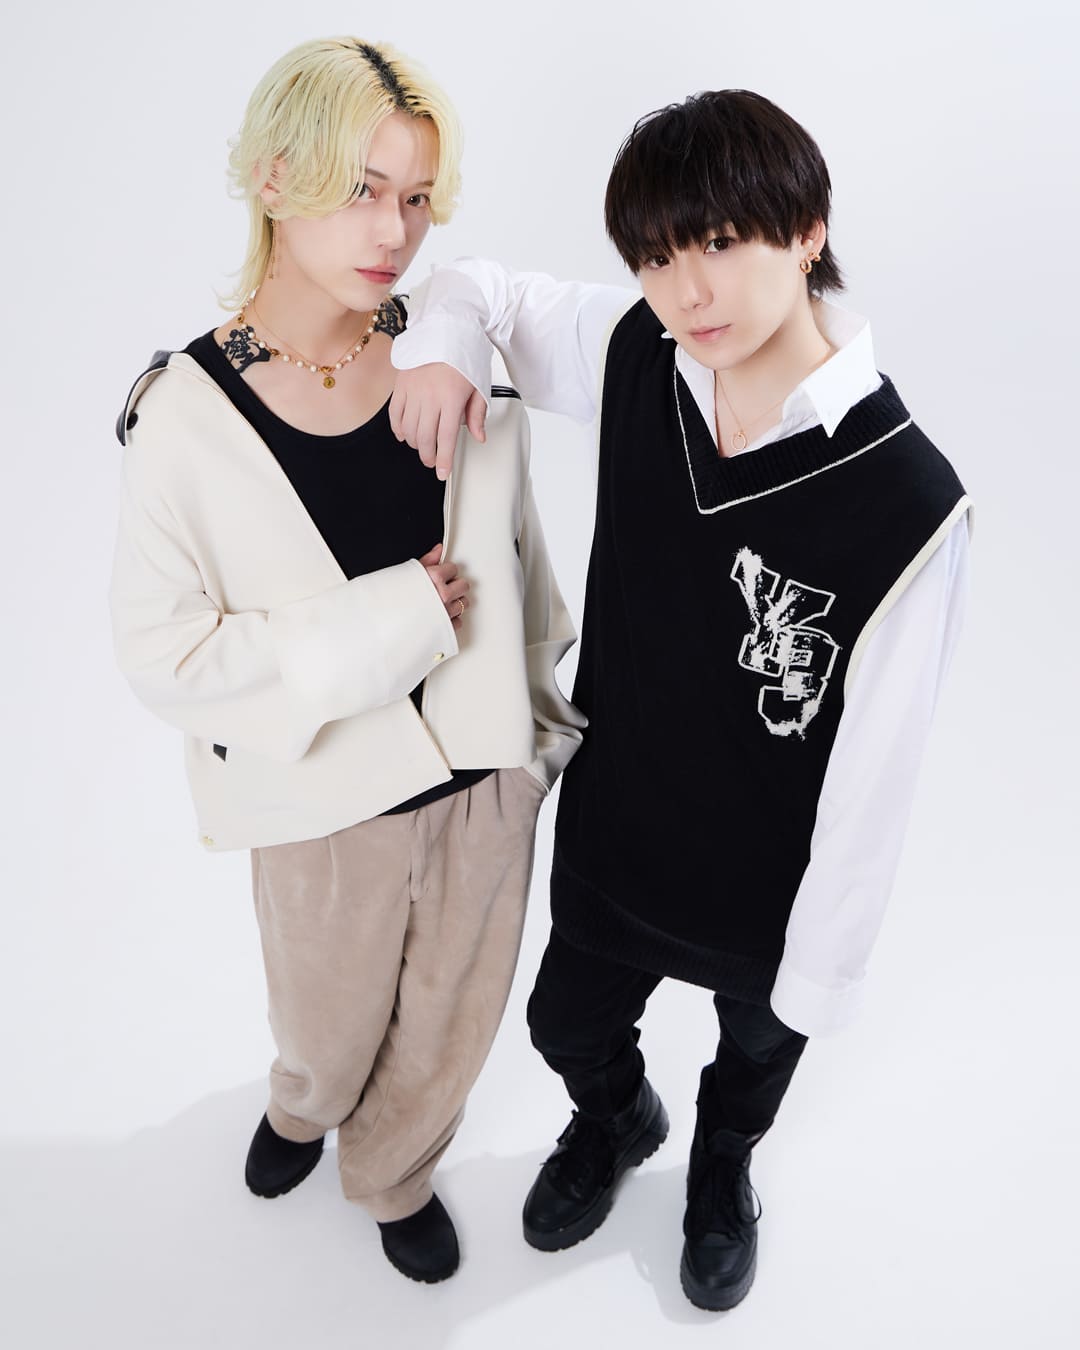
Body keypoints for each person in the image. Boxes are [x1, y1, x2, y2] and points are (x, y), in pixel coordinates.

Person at [387, 89, 971, 1310]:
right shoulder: (641, 355)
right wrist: (439, 346)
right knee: (564, 1026)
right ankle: (618, 1120)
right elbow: (485, 290)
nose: (687, 291)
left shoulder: (913, 501)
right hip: (623, 820)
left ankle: (721, 1166)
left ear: (806, 231)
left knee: (754, 1063)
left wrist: (821, 965)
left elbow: (882, 770)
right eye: (655, 258)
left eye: (718, 242)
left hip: (773, 872)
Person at [109, 36, 583, 1286]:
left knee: (450, 1028)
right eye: (362, 188)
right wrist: (396, 619)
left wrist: (537, 745)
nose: (394, 231)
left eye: (415, 197)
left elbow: (522, 556)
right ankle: (304, 1106)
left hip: (485, 782)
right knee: (326, 1023)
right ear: (275, 178)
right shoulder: (184, 414)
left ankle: (392, 1174)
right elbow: (163, 654)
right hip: (322, 801)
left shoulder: (445, 346)